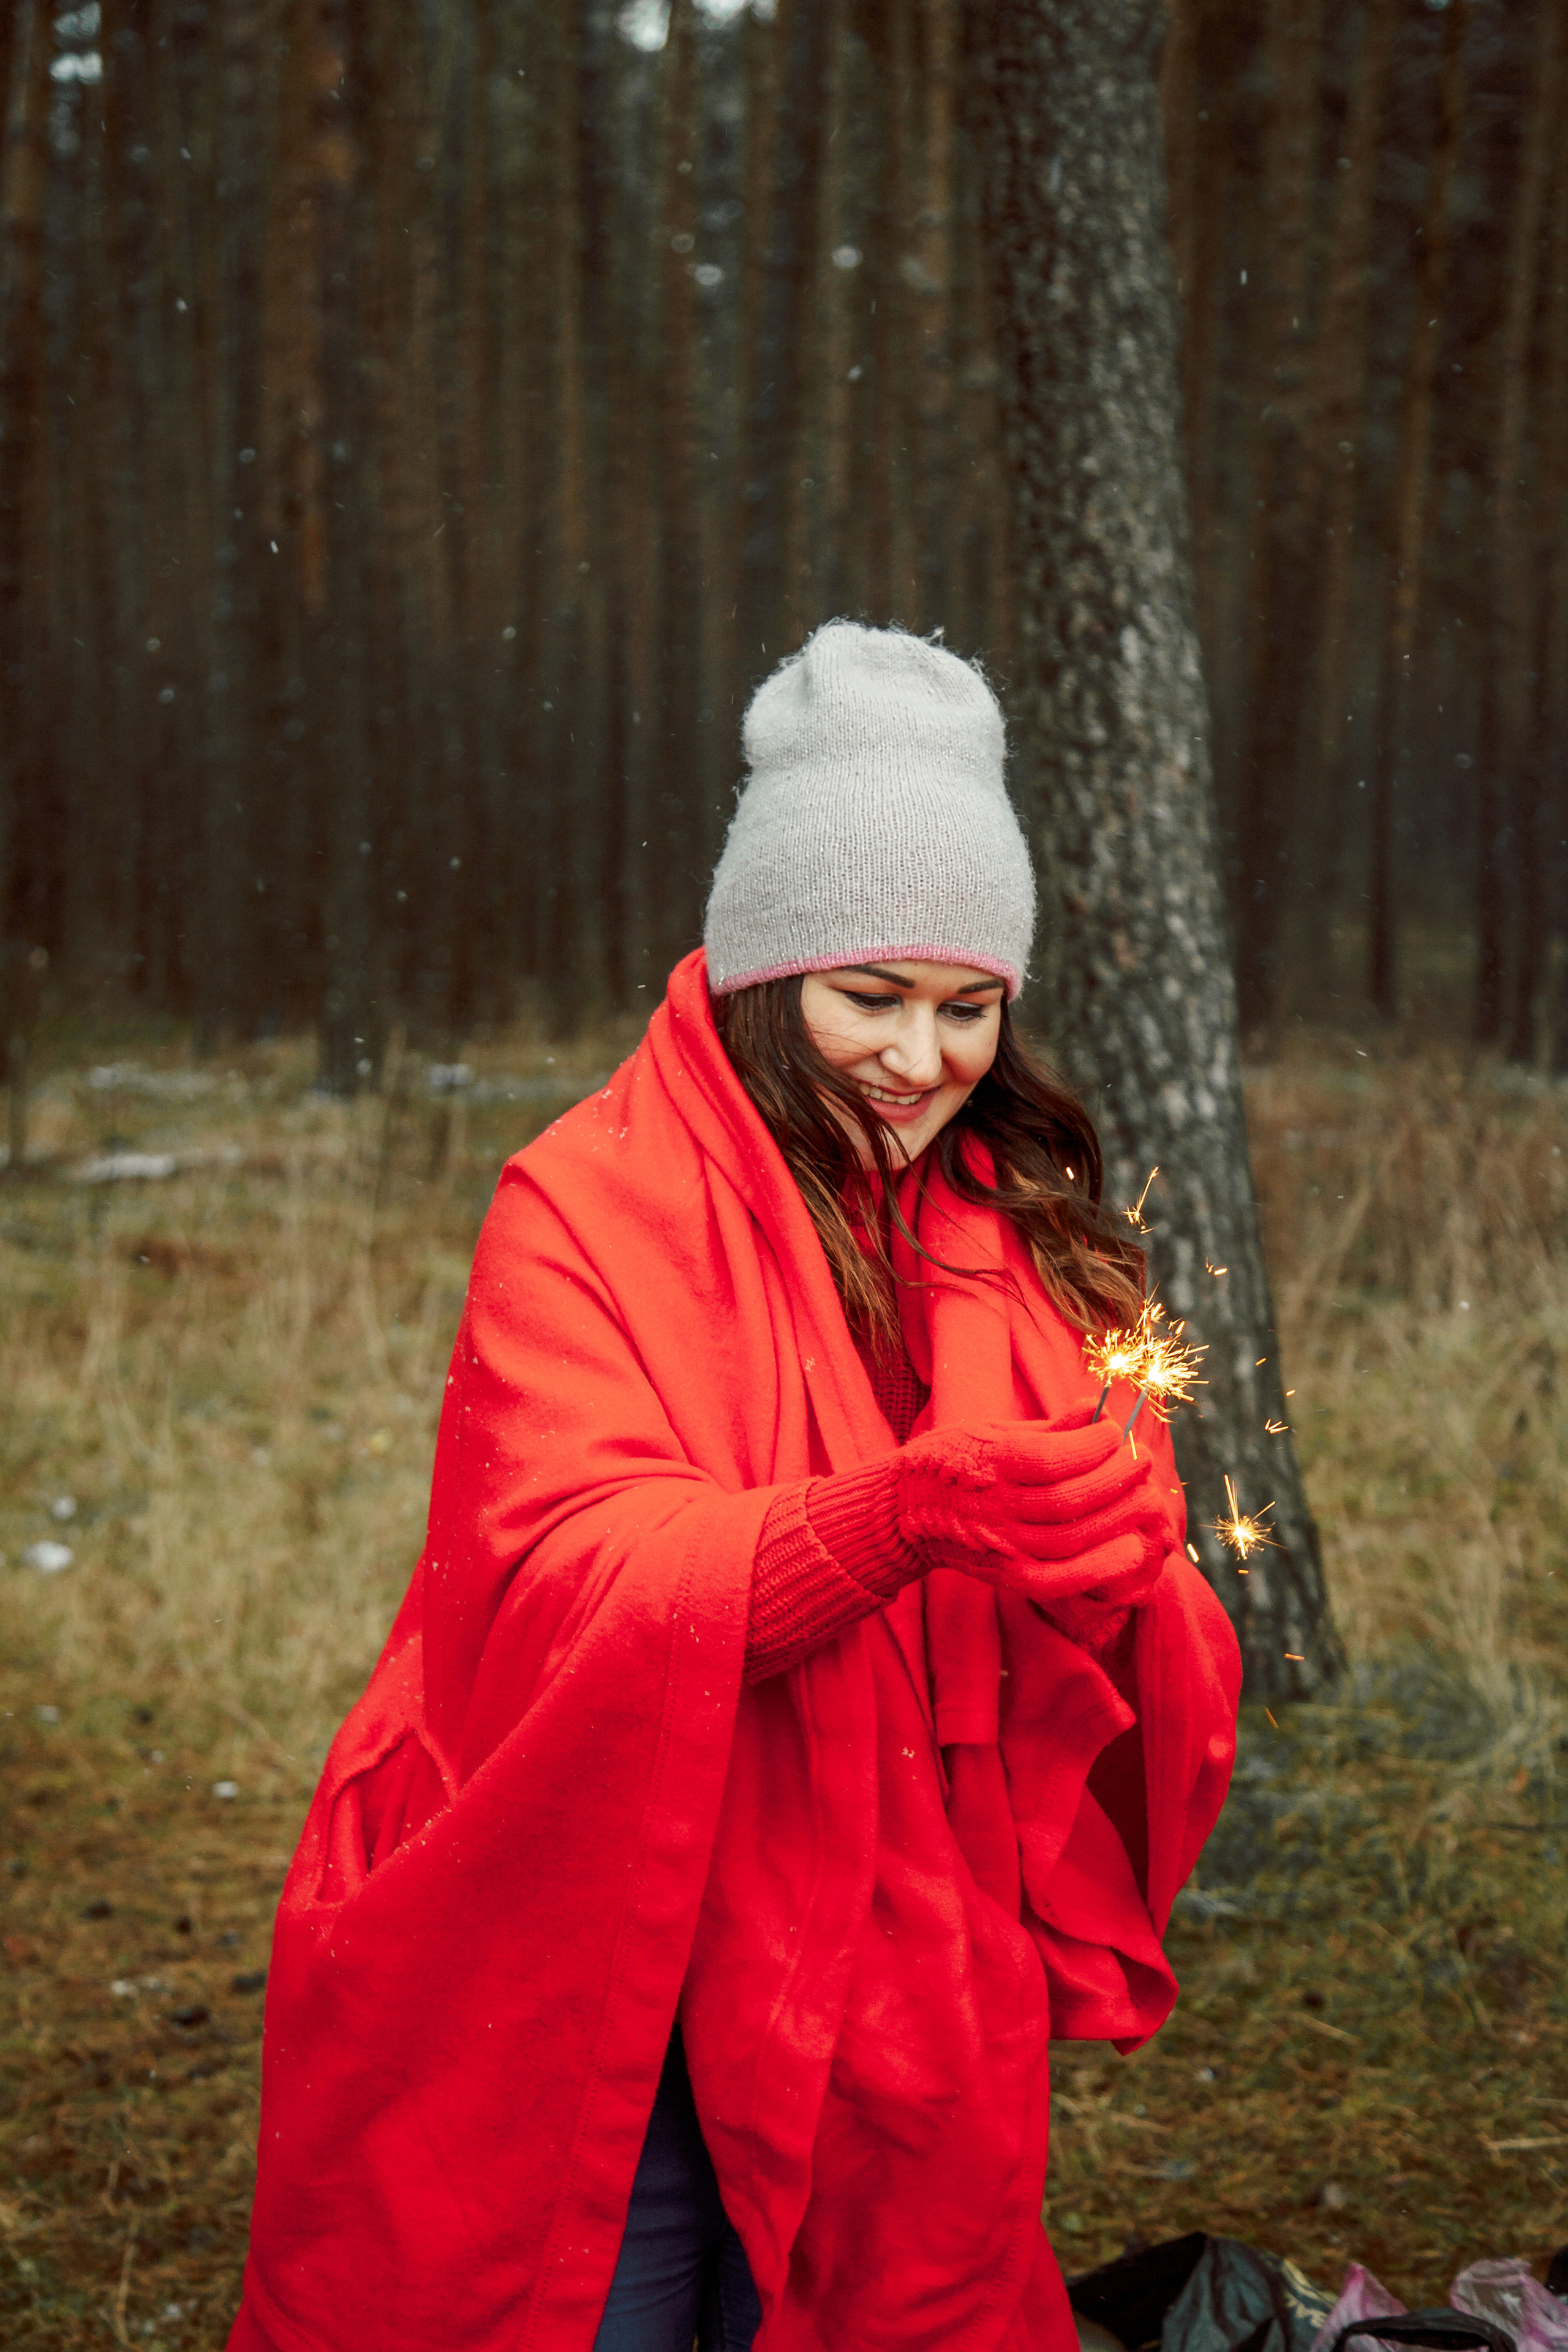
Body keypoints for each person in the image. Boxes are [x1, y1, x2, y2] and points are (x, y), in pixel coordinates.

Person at [228, 622, 1240, 2352]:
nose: (922, 1065)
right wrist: (898, 1518)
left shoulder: (1024, 1248)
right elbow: (562, 1575)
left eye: (969, 1009)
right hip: (590, 1923)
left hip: (889, 1972)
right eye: (873, 1000)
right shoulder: (581, 1204)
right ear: (770, 975)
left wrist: (1120, 1568)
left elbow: (1112, 1665)